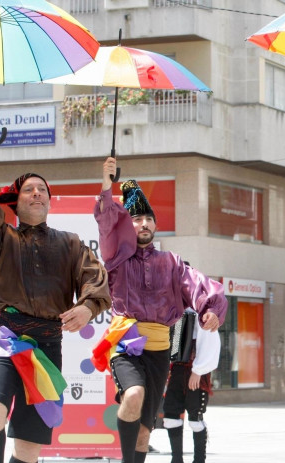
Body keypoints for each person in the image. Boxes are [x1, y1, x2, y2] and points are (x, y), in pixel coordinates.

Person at [0, 117, 112, 463]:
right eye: (29, 189)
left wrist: (87, 307)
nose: (37, 193)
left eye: (43, 190)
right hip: (7, 339)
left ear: (49, 202)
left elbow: (96, 278)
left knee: (28, 450)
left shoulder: (70, 243)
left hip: (49, 346)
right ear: (16, 202)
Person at [93, 157, 227, 463]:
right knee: (134, 395)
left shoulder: (172, 263)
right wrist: (106, 184)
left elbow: (201, 287)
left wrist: (211, 309)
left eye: (148, 219)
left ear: (156, 224)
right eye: (136, 219)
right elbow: (106, 222)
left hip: (159, 350)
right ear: (127, 224)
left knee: (145, 429)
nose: (143, 224)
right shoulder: (117, 257)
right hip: (126, 343)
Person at [162, 306, 220, 463]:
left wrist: (198, 370)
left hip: (196, 369)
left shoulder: (203, 310)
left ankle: (199, 460)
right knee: (171, 414)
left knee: (195, 417)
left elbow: (210, 341)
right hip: (177, 367)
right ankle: (176, 459)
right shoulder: (175, 307)